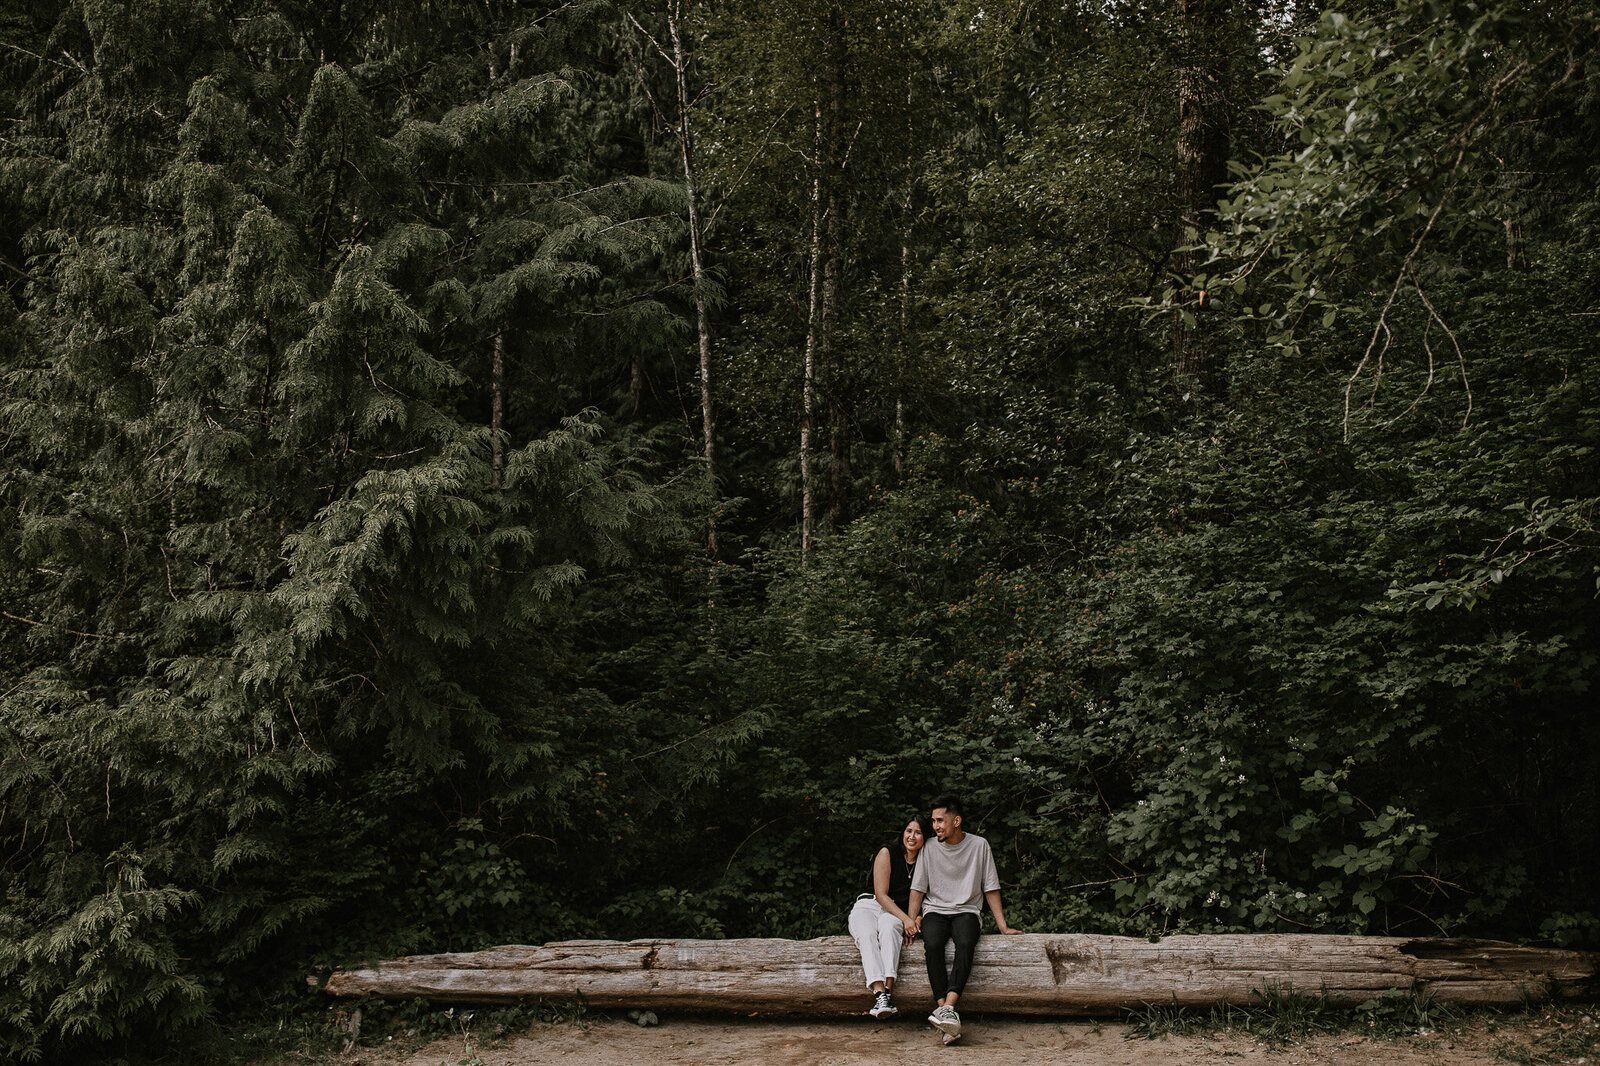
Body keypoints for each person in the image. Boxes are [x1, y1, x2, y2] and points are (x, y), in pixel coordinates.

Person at [906, 793, 1021, 1045]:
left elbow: (990, 887)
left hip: (967, 910)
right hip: (935, 909)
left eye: (940, 820)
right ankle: (945, 1010)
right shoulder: (929, 847)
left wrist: (1003, 926)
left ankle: (948, 1007)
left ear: (956, 821)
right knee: (933, 944)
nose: (935, 826)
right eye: (933, 821)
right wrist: (910, 920)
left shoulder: (979, 845)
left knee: (966, 943)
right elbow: (918, 888)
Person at [847, 813, 932, 1019]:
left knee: (890, 931)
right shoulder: (888, 852)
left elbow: (927, 897)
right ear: (902, 833)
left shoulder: (926, 861)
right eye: (909, 831)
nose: (912, 836)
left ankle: (886, 994)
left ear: (925, 837)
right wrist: (907, 920)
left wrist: (917, 919)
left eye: (918, 832)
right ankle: (880, 992)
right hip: (871, 904)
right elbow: (881, 895)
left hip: (896, 913)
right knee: (867, 935)